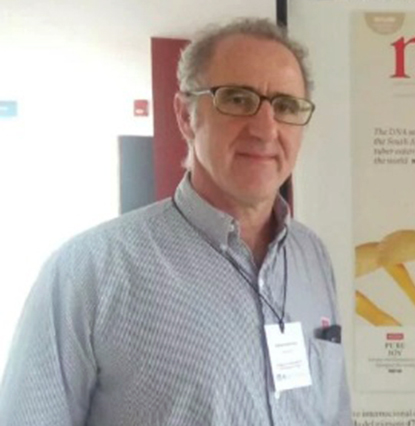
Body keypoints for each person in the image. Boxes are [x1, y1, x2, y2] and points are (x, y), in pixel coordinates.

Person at [0, 18, 352, 425]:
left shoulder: (312, 257)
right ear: (186, 115)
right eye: (238, 99)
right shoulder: (86, 271)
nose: (265, 129)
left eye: (286, 106)